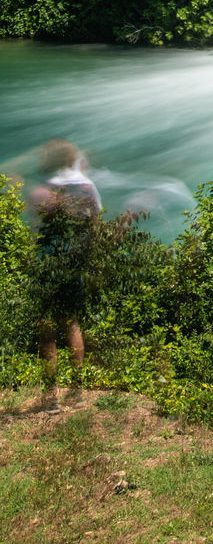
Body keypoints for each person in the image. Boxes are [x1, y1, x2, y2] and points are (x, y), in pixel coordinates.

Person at [29, 140, 101, 412]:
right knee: (72, 324)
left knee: (46, 329)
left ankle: (51, 397)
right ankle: (78, 391)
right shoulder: (87, 188)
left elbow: (35, 230)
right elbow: (95, 226)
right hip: (74, 265)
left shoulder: (41, 192)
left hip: (47, 266)